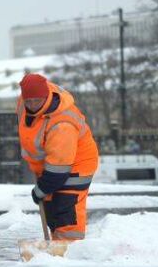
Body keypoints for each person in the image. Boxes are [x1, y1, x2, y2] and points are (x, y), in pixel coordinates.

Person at [17, 73, 99, 240]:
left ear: (46, 96)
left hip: (77, 164)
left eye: (37, 101)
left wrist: (40, 190)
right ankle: (56, 243)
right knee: (50, 209)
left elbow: (58, 171)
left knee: (65, 209)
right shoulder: (24, 102)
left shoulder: (62, 124)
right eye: (28, 101)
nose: (32, 106)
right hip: (53, 164)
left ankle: (70, 248)